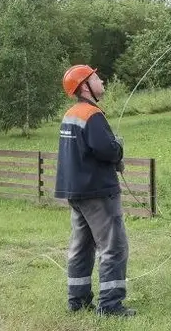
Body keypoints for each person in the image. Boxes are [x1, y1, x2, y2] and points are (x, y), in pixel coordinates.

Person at [54, 64, 135, 319]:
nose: (103, 82)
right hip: (98, 192)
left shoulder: (71, 114)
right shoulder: (92, 115)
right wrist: (118, 148)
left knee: (81, 247)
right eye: (97, 78)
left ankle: (77, 301)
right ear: (85, 86)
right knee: (114, 247)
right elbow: (107, 150)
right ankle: (110, 306)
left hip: (76, 193)